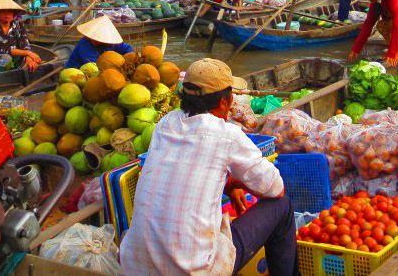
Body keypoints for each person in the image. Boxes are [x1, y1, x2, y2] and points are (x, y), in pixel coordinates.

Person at [121, 58, 295, 276]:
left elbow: (186, 175)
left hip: (136, 266)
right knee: (283, 206)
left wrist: (229, 183)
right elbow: (275, 188)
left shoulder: (164, 125)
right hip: (195, 271)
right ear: (225, 102)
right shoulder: (226, 135)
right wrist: (237, 182)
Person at [0, 0, 42, 74]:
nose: (6, 14)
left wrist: (28, 57)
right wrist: (28, 53)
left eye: (9, 12)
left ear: (14, 13)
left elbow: (25, 45)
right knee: (6, 58)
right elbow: (3, 50)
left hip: (15, 61)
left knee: (35, 59)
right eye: (3, 12)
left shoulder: (19, 25)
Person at [64, 15, 135, 69]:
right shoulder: (85, 44)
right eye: (93, 37)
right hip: (78, 71)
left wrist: (131, 58)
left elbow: (127, 48)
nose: (94, 40)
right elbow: (95, 66)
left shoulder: (111, 42)